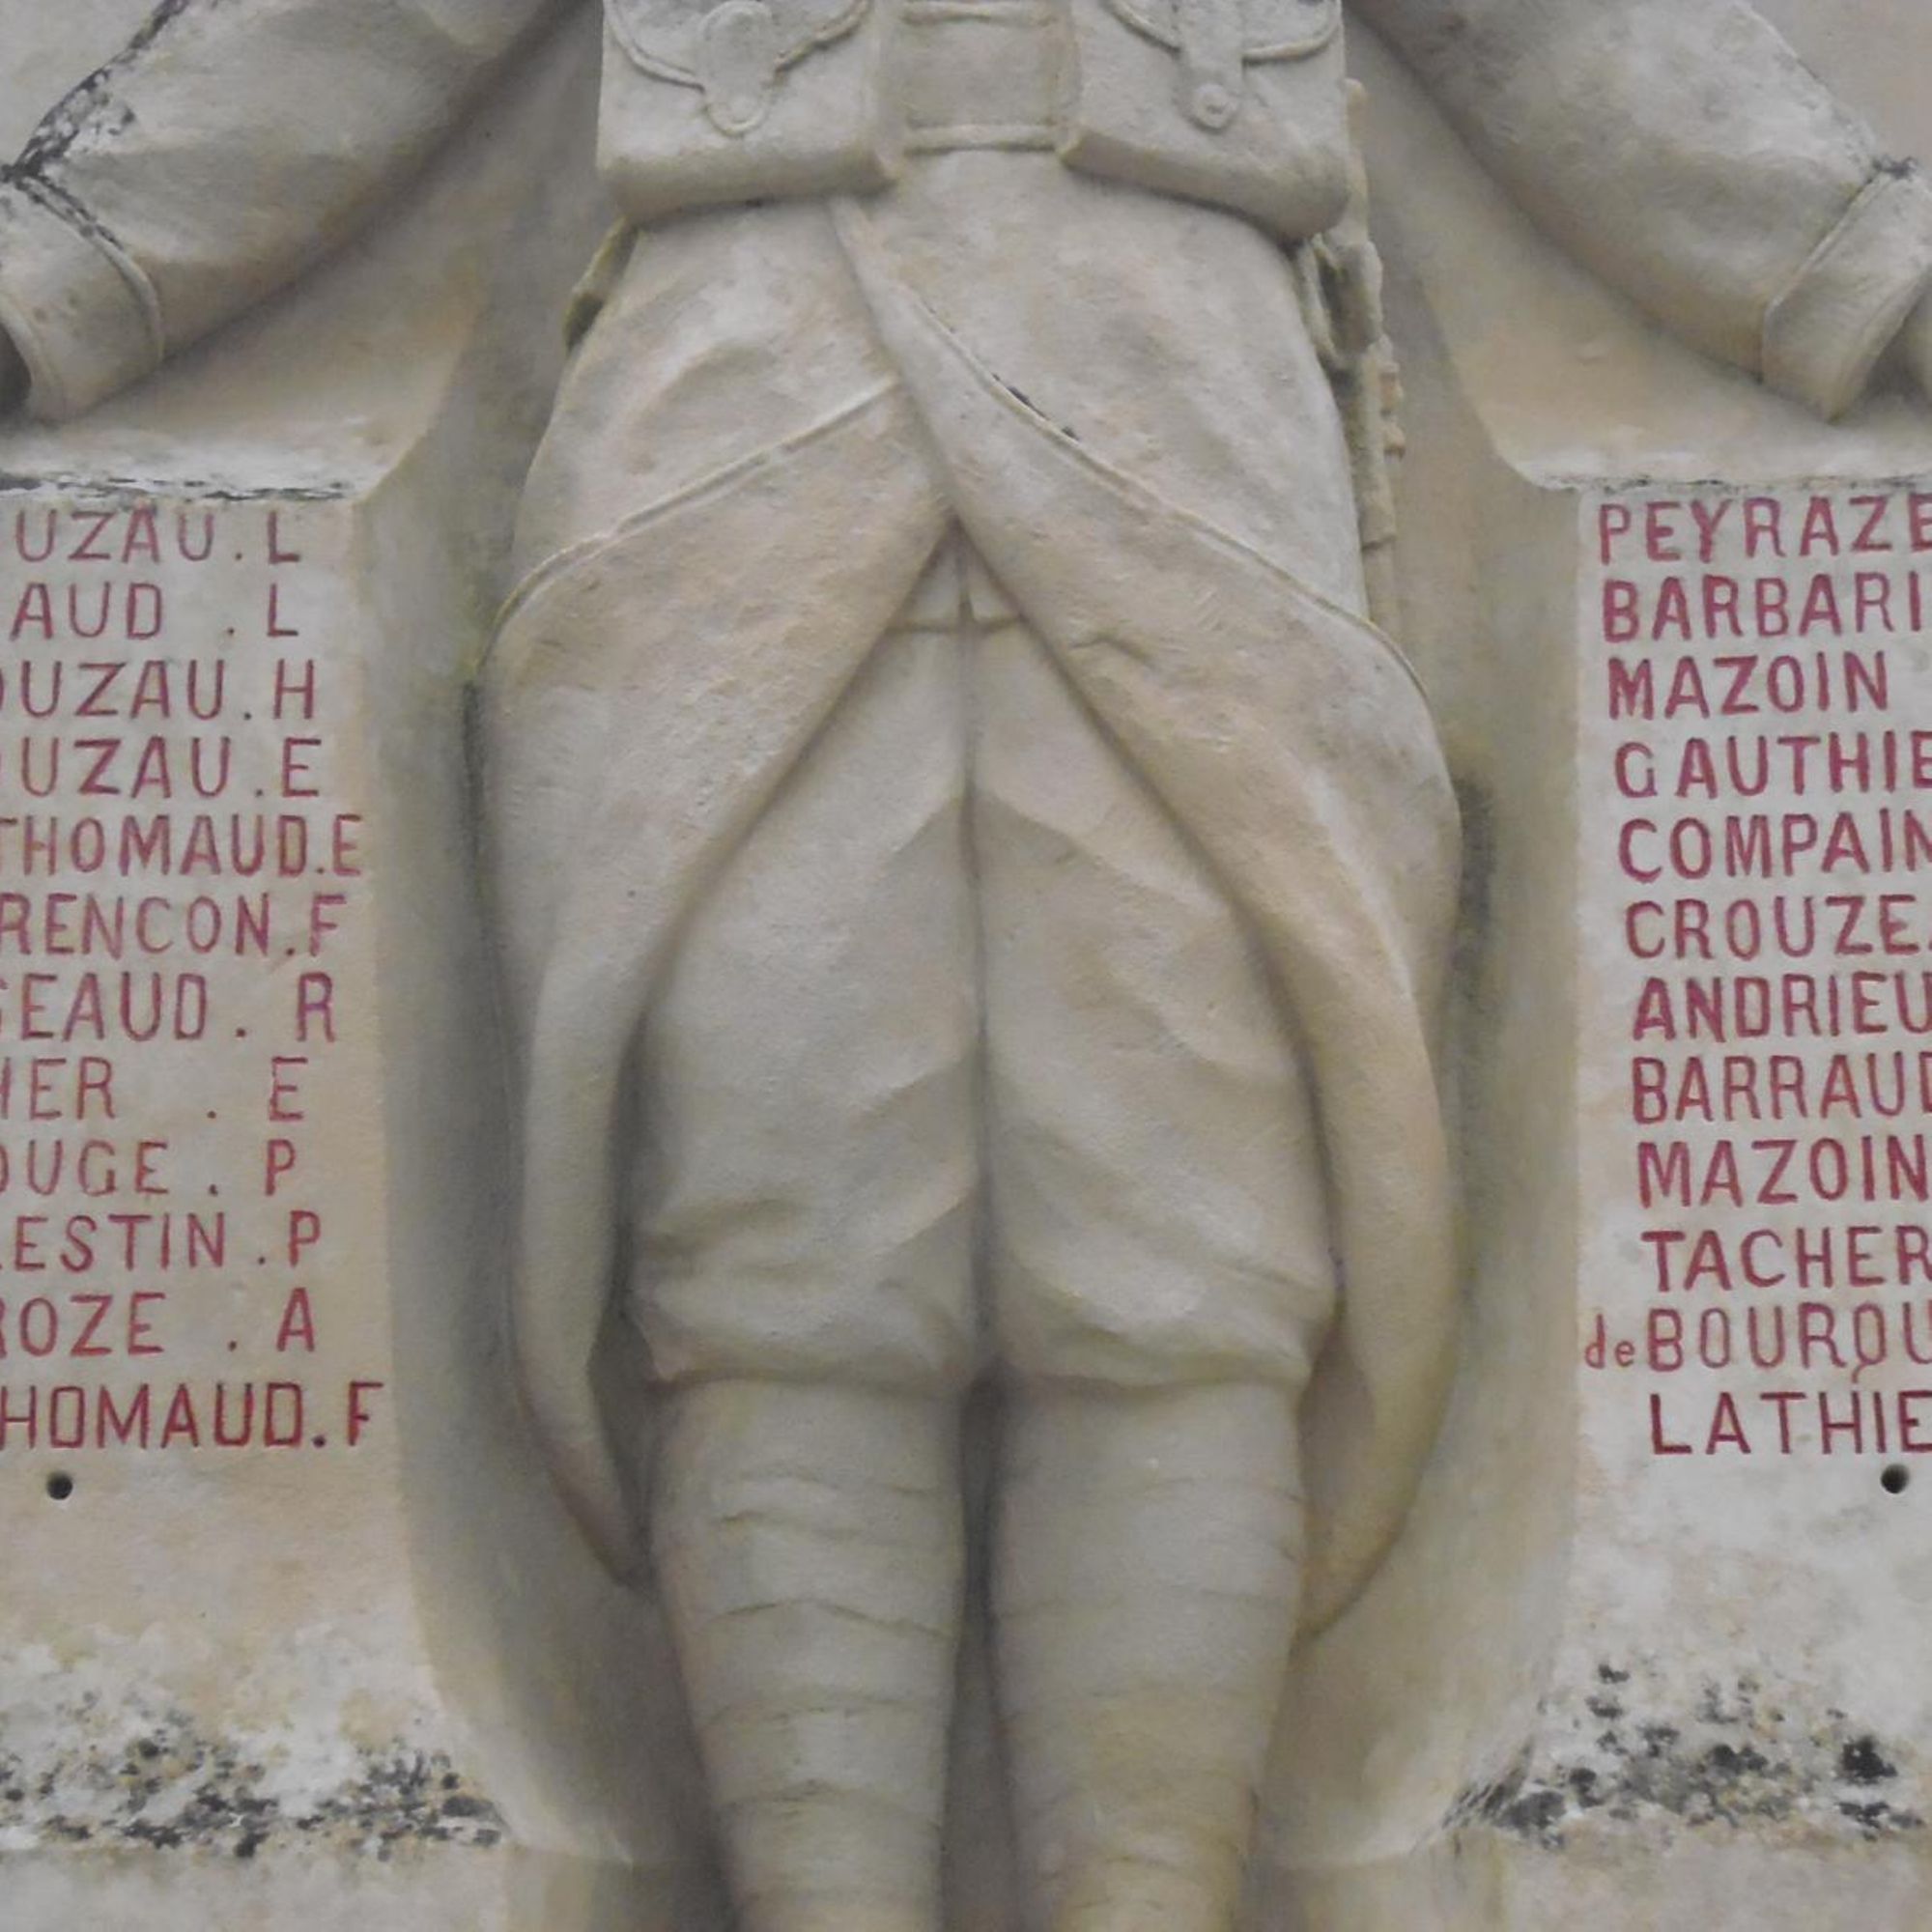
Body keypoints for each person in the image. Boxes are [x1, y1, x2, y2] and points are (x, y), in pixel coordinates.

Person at [3, 3, 1930, 1926]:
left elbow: (1556, 36)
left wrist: (1855, 267)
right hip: (744, 396)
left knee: (1188, 1258)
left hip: (1179, 409)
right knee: (774, 1246)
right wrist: (62, 270)